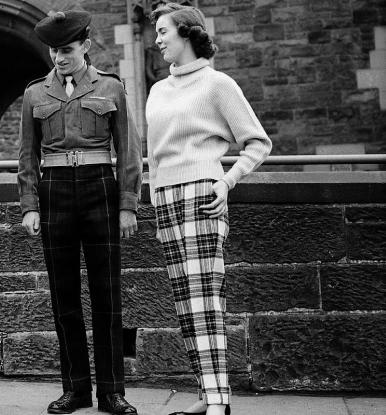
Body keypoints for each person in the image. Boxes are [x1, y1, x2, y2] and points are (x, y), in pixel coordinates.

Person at [146, 4, 272, 415]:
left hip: (202, 195)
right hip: (165, 199)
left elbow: (257, 142)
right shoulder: (158, 90)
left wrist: (226, 180)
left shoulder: (218, 84)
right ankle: (206, 393)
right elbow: (154, 153)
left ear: (186, 33)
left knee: (205, 299)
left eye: (164, 32)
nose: (158, 40)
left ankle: (219, 400)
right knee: (184, 302)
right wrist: (153, 190)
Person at [18, 9, 143, 415]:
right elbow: (26, 155)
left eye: (67, 50)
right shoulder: (35, 93)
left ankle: (111, 391)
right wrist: (29, 205)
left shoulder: (111, 87)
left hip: (99, 190)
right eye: (54, 51)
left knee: (106, 293)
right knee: (64, 296)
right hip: (55, 192)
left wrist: (127, 205)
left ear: (85, 46)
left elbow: (128, 151)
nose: (59, 58)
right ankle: (74, 388)